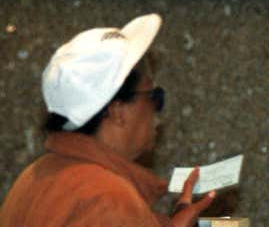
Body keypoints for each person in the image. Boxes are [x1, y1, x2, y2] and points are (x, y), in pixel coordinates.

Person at [0, 14, 215, 227]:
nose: (156, 110)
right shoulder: (108, 200)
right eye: (153, 97)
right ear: (117, 111)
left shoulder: (35, 176)